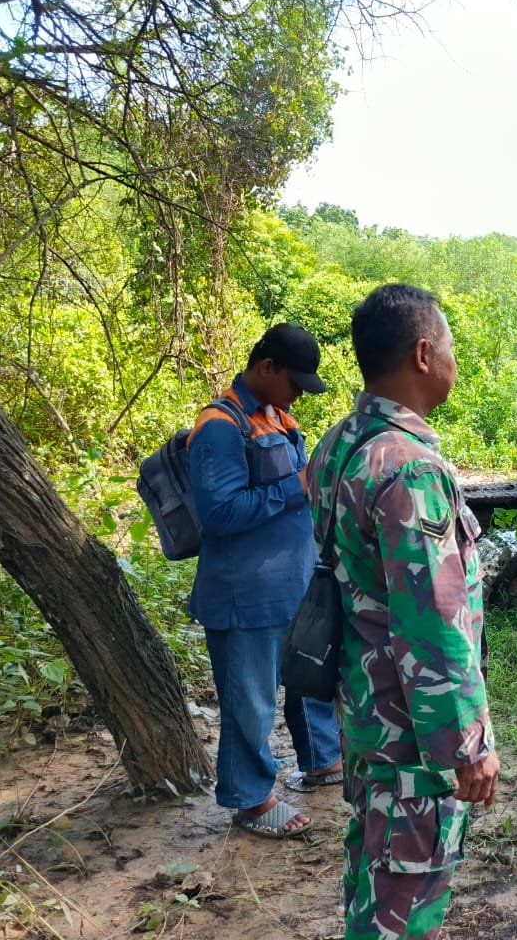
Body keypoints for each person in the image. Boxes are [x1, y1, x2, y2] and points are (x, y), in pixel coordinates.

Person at [306, 284, 499, 939]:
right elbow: (433, 622)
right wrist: (466, 746)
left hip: (366, 715)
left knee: (374, 878)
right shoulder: (410, 469)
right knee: (404, 905)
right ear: (423, 353)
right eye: (448, 347)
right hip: (410, 737)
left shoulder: (339, 445)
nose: (452, 359)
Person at [187, 323, 344, 838]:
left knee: (309, 680)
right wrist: (295, 485)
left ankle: (322, 762)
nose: (299, 392)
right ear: (266, 368)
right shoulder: (219, 426)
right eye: (294, 381)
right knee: (250, 701)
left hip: (289, 587)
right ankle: (250, 801)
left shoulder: (277, 416)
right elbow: (220, 514)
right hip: (244, 595)